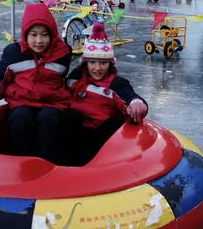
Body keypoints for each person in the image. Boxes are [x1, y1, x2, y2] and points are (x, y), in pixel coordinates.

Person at [0, 3, 72, 163]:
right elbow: (0, 76)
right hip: (22, 102)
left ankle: (47, 162)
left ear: (52, 35)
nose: (39, 40)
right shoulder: (13, 54)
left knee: (48, 118)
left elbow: (65, 79)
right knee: (21, 118)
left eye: (44, 35)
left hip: (52, 103)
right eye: (33, 35)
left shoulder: (62, 54)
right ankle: (21, 160)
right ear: (25, 35)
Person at [62, 23, 148, 166]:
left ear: (110, 64)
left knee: (113, 124)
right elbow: (60, 91)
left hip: (101, 137)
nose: (97, 68)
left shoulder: (116, 83)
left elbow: (128, 94)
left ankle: (99, 166)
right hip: (78, 131)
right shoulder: (76, 77)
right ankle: (65, 162)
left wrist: (136, 102)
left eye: (103, 63)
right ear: (85, 63)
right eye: (93, 62)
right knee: (68, 116)